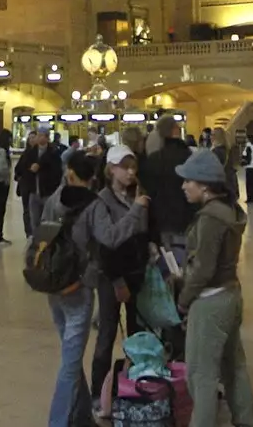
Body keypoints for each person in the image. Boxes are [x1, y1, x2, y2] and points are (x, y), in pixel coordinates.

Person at [174, 148, 253, 427]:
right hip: (230, 294)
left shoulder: (210, 218)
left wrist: (183, 300)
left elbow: (203, 269)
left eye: (189, 180)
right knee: (234, 367)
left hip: (210, 301)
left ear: (205, 185)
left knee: (201, 374)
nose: (184, 186)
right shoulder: (229, 210)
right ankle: (245, 420)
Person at [84, 144, 151, 399]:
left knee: (138, 333)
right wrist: (117, 281)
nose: (131, 172)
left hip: (136, 272)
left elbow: (142, 233)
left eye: (133, 167)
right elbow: (108, 241)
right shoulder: (102, 202)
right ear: (111, 169)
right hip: (111, 276)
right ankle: (98, 394)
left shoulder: (137, 195)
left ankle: (134, 385)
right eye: (125, 167)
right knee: (107, 334)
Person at [42, 151, 98, 427]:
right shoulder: (91, 205)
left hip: (54, 286)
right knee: (70, 363)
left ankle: (82, 415)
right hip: (78, 288)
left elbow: (40, 236)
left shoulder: (53, 200)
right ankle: (58, 421)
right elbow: (98, 247)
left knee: (71, 354)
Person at [140, 114, 195, 253]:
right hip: (186, 218)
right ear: (176, 130)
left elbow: (148, 190)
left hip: (160, 219)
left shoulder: (153, 159)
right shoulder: (189, 157)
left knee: (167, 262)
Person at [16, 130, 42, 239]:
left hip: (37, 186)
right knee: (27, 209)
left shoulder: (40, 153)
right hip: (26, 185)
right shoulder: (26, 153)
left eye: (34, 137)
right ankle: (29, 232)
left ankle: (37, 231)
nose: (32, 140)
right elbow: (18, 169)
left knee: (37, 210)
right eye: (30, 138)